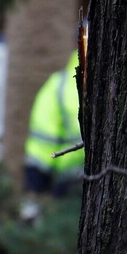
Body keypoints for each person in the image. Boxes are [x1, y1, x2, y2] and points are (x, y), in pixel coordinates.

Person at [24, 49, 83, 195]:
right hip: (66, 180)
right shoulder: (60, 85)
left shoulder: (59, 84)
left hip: (78, 177)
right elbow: (43, 135)